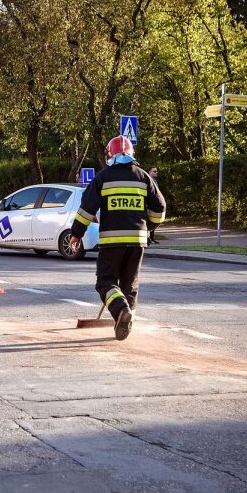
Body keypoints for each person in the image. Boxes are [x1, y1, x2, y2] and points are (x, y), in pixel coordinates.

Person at [69, 135, 166, 341]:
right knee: (129, 286)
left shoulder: (103, 178)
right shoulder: (144, 177)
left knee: (106, 282)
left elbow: (87, 209)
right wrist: (148, 227)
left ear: (109, 155)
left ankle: (121, 309)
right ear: (132, 154)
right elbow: (160, 208)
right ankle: (125, 319)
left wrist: (77, 234)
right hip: (137, 241)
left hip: (112, 241)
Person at [147, 167, 160, 244]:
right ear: (149, 172)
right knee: (149, 222)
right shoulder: (148, 180)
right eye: (154, 171)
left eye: (156, 171)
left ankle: (152, 238)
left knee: (154, 221)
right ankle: (148, 239)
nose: (156, 172)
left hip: (154, 205)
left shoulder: (155, 181)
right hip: (149, 205)